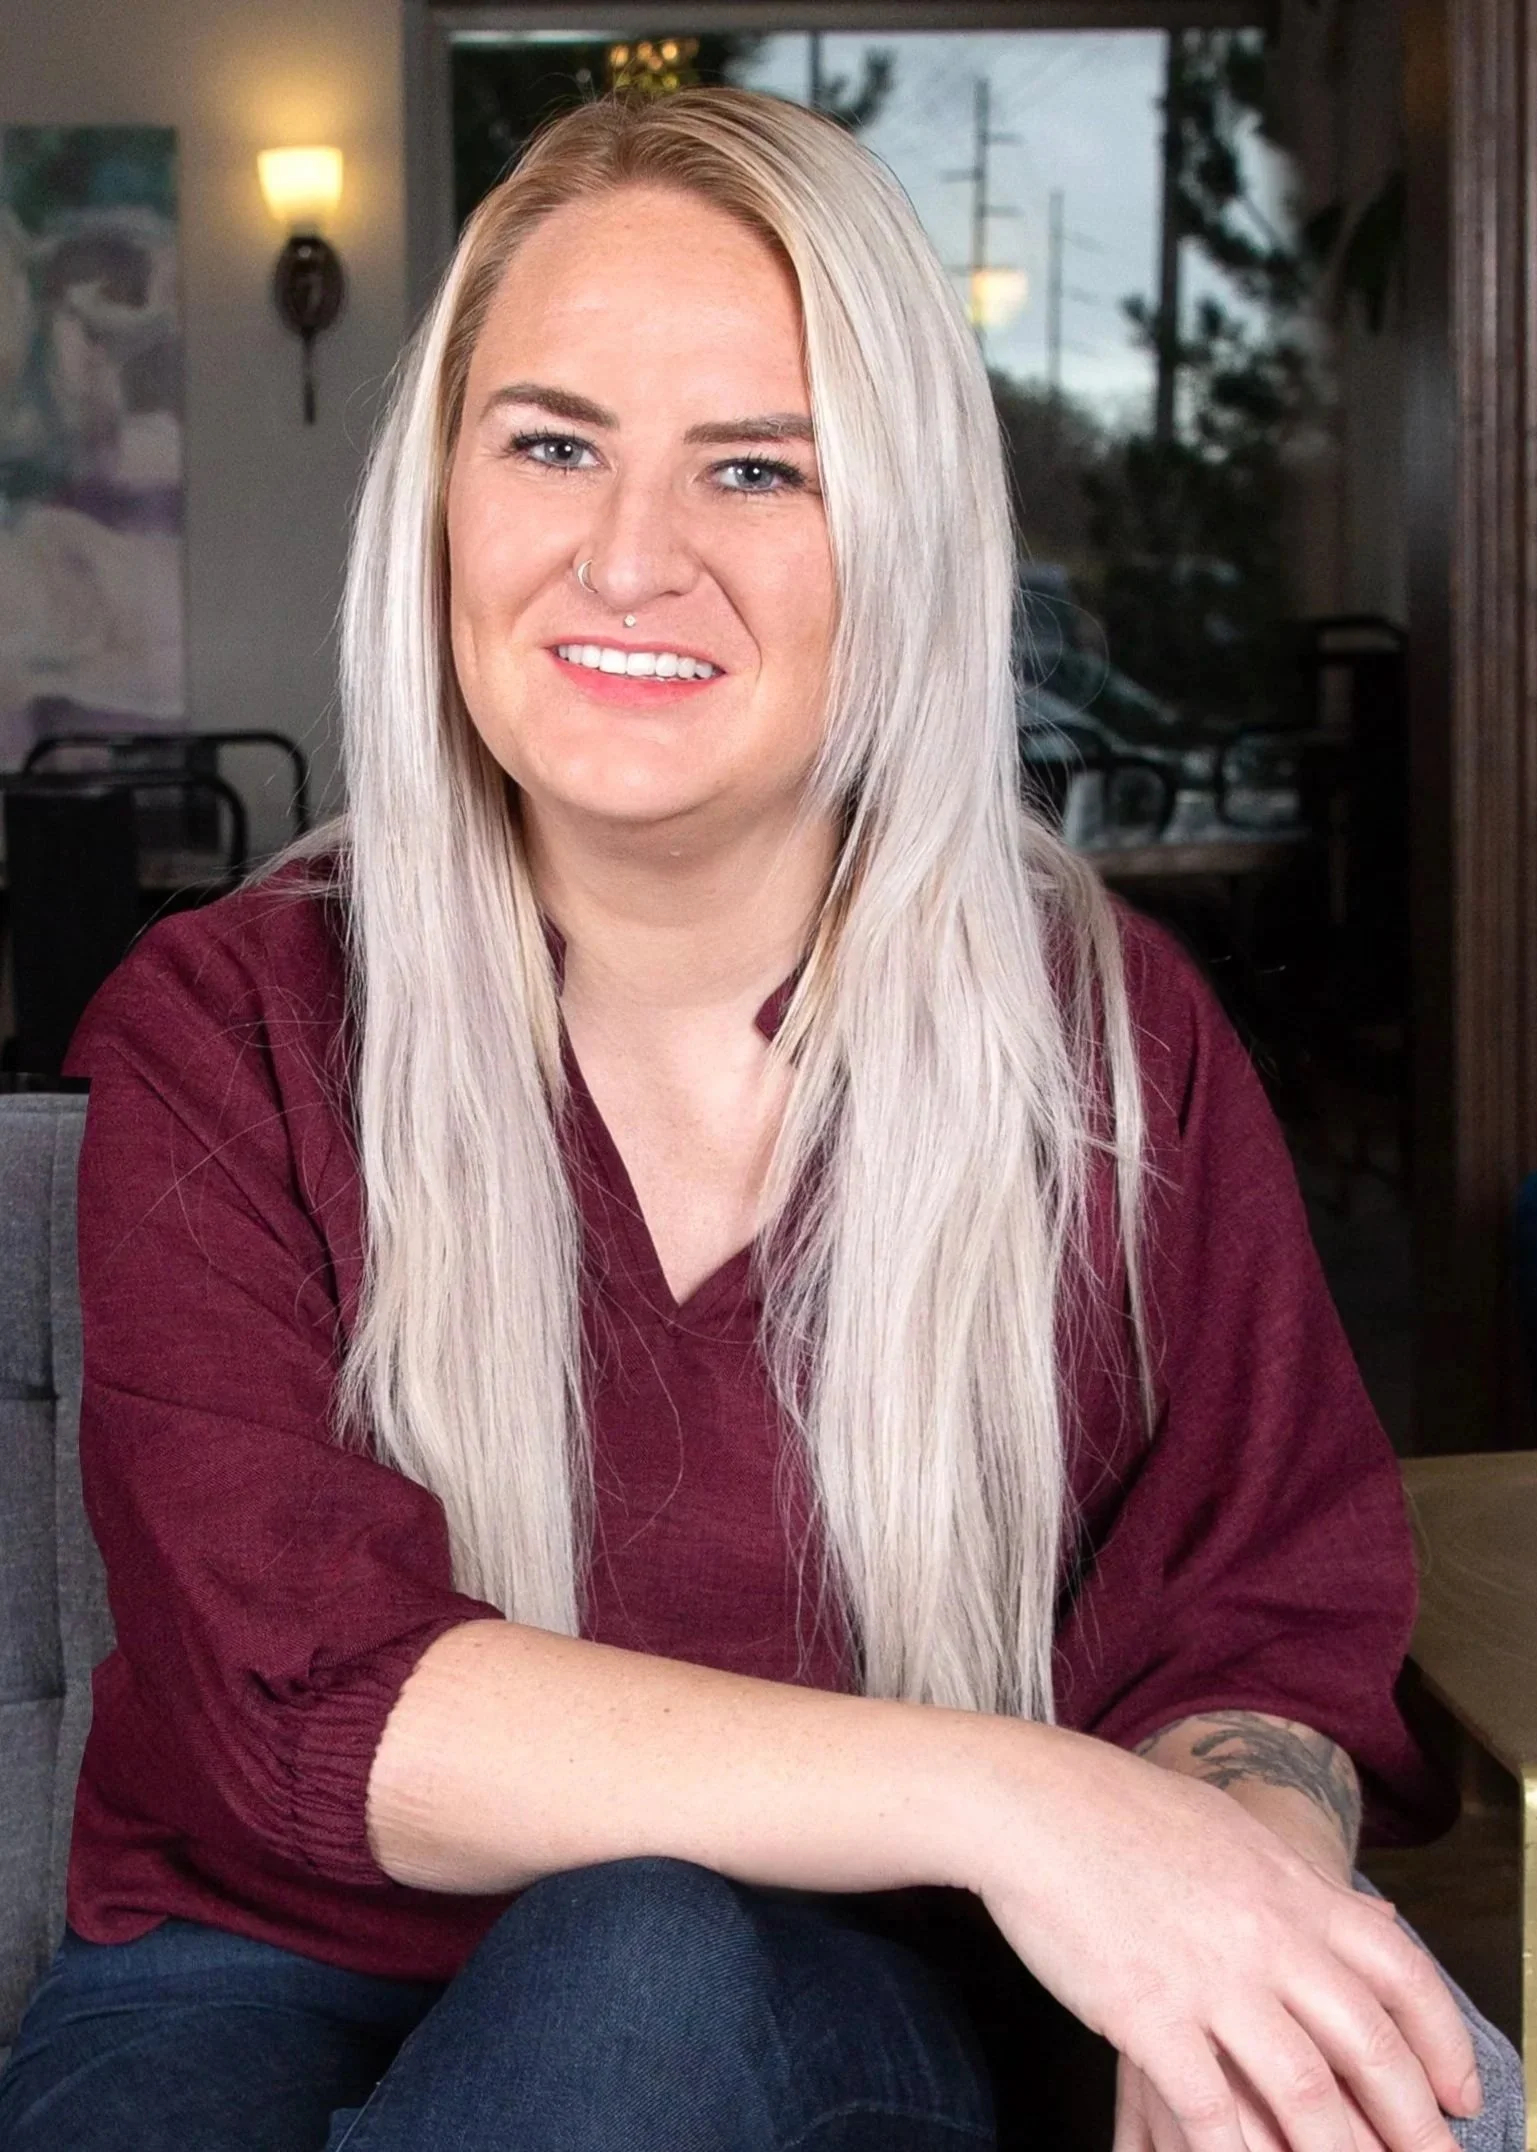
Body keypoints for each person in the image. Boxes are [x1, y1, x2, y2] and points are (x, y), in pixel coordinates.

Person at [0, 86, 1520, 2152]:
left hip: (844, 1991)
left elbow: (1263, 1630)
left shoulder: (1098, 1044)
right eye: (551, 443)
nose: (633, 554)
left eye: (756, 467)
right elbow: (315, 1701)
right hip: (254, 1978)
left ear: (900, 537)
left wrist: (1218, 1893)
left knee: (641, 1957)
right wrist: (1032, 1799)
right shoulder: (231, 1027)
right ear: (441, 497)